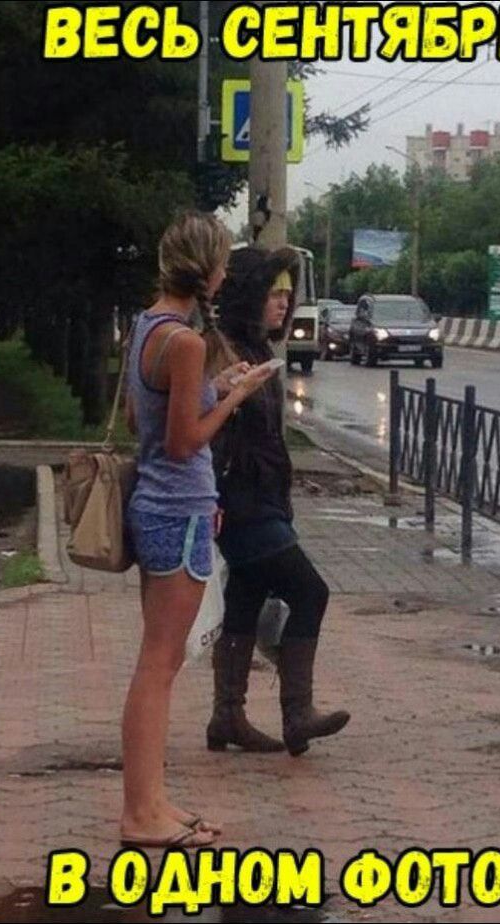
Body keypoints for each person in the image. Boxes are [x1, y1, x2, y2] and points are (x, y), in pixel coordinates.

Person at [121, 214, 275, 849]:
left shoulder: (148, 325)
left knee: (157, 663)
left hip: (158, 506)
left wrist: (214, 387)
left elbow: (145, 417)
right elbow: (185, 441)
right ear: (209, 271)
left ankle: (153, 801)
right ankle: (141, 813)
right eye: (223, 264)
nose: (226, 274)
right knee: (158, 666)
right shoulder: (184, 340)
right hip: (176, 509)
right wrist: (233, 399)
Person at [207, 245, 351, 757]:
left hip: (262, 498)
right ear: (249, 295)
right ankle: (297, 713)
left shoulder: (259, 349)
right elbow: (209, 428)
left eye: (288, 294)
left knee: (245, 598)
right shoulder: (224, 350)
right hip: (240, 500)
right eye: (273, 293)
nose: (283, 303)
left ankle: (228, 716)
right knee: (310, 592)